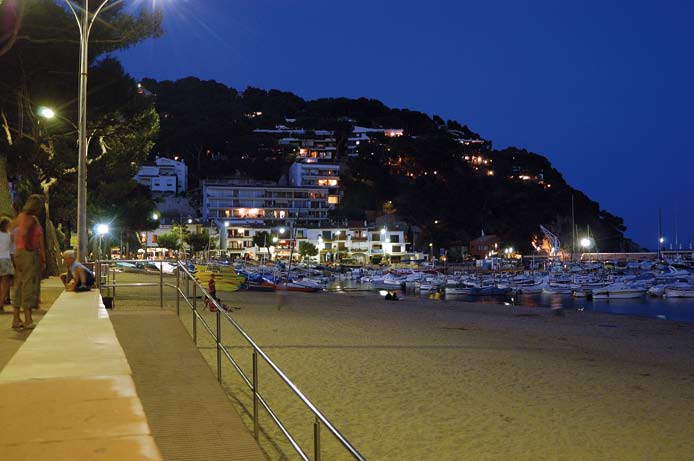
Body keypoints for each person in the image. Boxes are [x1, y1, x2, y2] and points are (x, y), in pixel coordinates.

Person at [10, 195, 45, 329]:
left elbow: (11, 230)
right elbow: (25, 233)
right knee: (28, 285)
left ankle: (16, 318)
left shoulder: (20, 216)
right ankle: (28, 319)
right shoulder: (32, 219)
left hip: (18, 253)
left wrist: (16, 245)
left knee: (18, 284)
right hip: (28, 254)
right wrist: (31, 247)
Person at [0, 216, 15, 315]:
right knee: (5, 284)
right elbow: (12, 248)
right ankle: (1, 303)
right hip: (5, 259)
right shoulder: (10, 236)